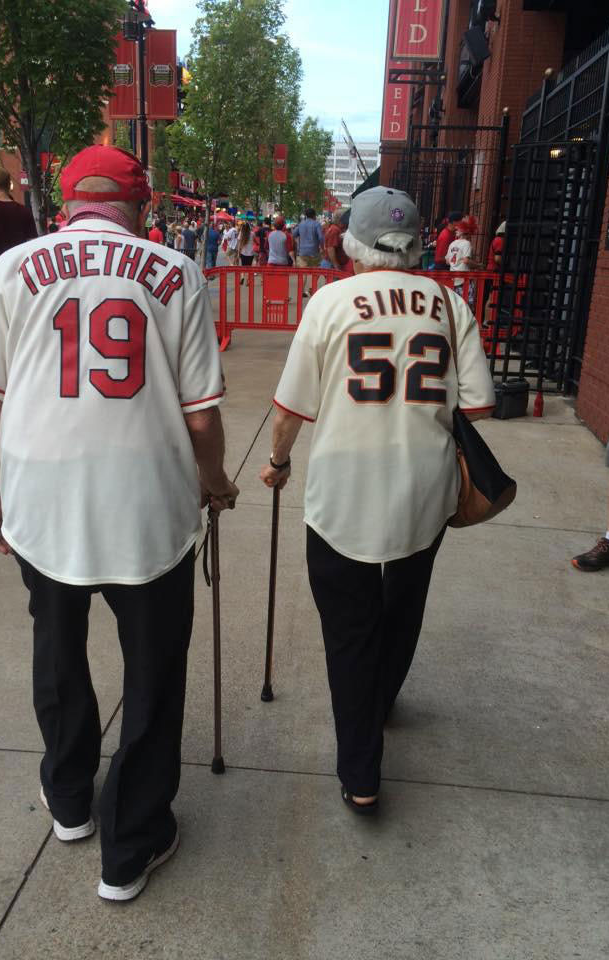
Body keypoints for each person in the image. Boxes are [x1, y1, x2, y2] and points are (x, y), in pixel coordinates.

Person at [0, 144, 238, 901]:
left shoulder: (15, 268)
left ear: (67, 200)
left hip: (43, 500)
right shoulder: (176, 272)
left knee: (57, 644)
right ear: (141, 206)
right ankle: (132, 842)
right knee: (152, 668)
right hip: (148, 501)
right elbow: (203, 419)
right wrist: (216, 486)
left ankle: (72, 798)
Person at [260, 186, 494, 814]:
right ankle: (383, 695)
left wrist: (278, 463)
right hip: (426, 484)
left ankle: (362, 772)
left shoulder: (330, 301)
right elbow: (478, 405)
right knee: (405, 597)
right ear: (419, 244)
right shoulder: (449, 304)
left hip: (343, 488)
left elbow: (288, 411)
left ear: (352, 245)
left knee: (349, 628)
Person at [445, 215, 479, 302]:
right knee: (467, 307)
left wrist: (455, 263)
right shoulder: (467, 243)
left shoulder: (452, 244)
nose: (456, 230)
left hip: (453, 280)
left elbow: (447, 261)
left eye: (458, 229)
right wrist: (478, 265)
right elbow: (466, 260)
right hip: (464, 281)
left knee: (455, 306)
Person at [292, 207, 324, 296]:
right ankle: (312, 289)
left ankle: (301, 291)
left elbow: (294, 234)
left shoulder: (301, 224)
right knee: (317, 270)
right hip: (314, 252)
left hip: (302, 252)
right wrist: (322, 247)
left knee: (303, 273)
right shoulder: (316, 224)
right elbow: (321, 237)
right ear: (314, 215)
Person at [483, 221, 505, 327]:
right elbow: (498, 258)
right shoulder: (500, 241)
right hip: (494, 272)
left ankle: (487, 321)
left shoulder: (496, 239)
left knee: (491, 297)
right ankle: (487, 321)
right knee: (492, 297)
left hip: (490, 271)